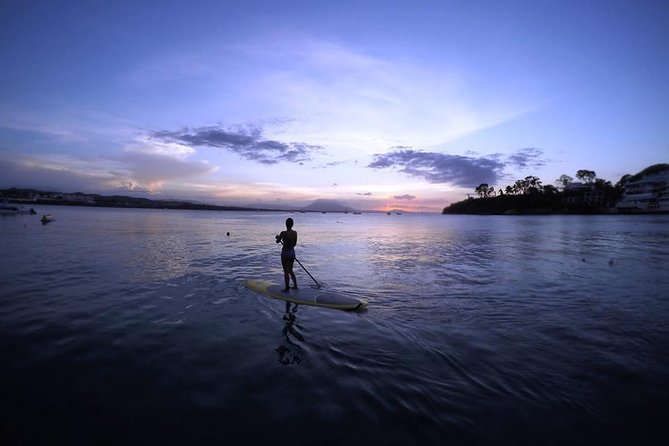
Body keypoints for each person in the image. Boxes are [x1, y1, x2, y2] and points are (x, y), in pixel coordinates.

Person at [276, 217, 298, 292]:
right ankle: (295, 285)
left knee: (286, 271)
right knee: (290, 270)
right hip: (292, 252)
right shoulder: (295, 233)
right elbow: (294, 244)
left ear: (286, 224)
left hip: (285, 253)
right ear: (292, 224)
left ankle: (287, 287)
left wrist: (278, 237)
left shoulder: (283, 233)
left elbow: (277, 241)